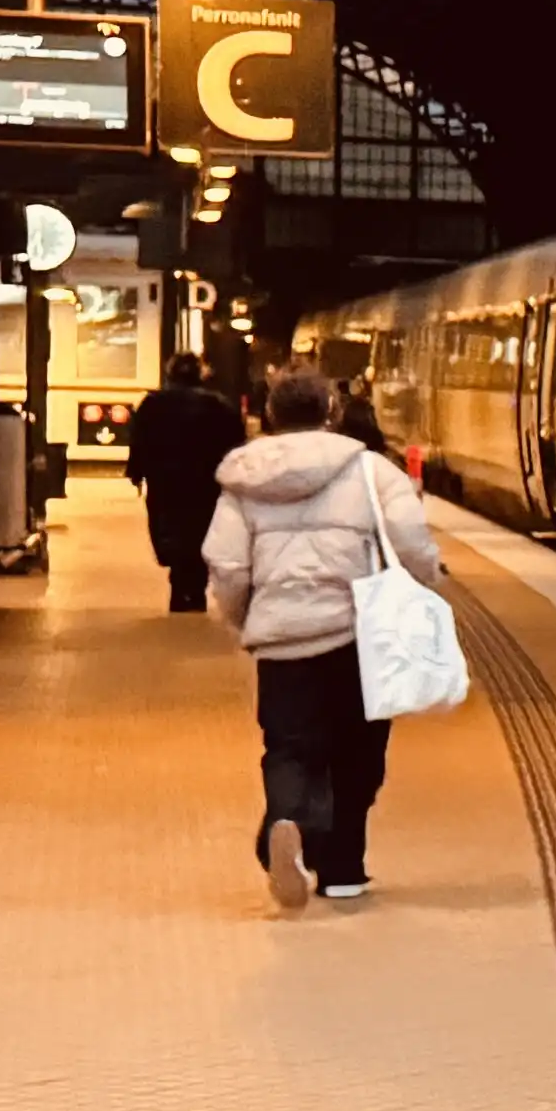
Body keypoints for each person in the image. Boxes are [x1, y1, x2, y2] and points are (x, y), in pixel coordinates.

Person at [204, 367, 427, 911]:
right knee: (358, 753)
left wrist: (245, 620)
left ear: (269, 415)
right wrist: (421, 587)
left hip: (283, 640)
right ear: (333, 412)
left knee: (289, 748)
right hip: (360, 637)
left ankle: (287, 820)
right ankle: (343, 870)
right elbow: (413, 544)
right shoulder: (373, 471)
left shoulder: (243, 479)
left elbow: (228, 565)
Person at [119, 349, 247, 614]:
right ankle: (195, 587)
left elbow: (139, 440)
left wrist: (136, 472)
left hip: (165, 481)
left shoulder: (153, 404)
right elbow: (235, 445)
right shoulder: (219, 405)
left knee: (171, 531)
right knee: (199, 532)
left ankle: (179, 584)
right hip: (205, 483)